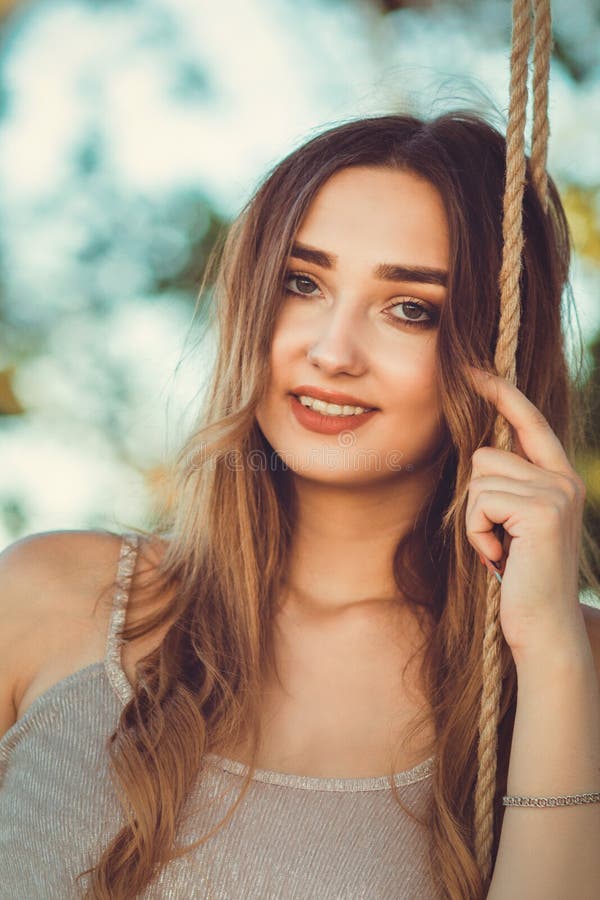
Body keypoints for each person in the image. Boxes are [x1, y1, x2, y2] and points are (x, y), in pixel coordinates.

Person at [0, 111, 599, 900]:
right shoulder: (49, 595)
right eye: (302, 283)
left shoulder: (571, 665)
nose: (332, 352)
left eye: (410, 308)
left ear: (499, 354)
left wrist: (555, 653)